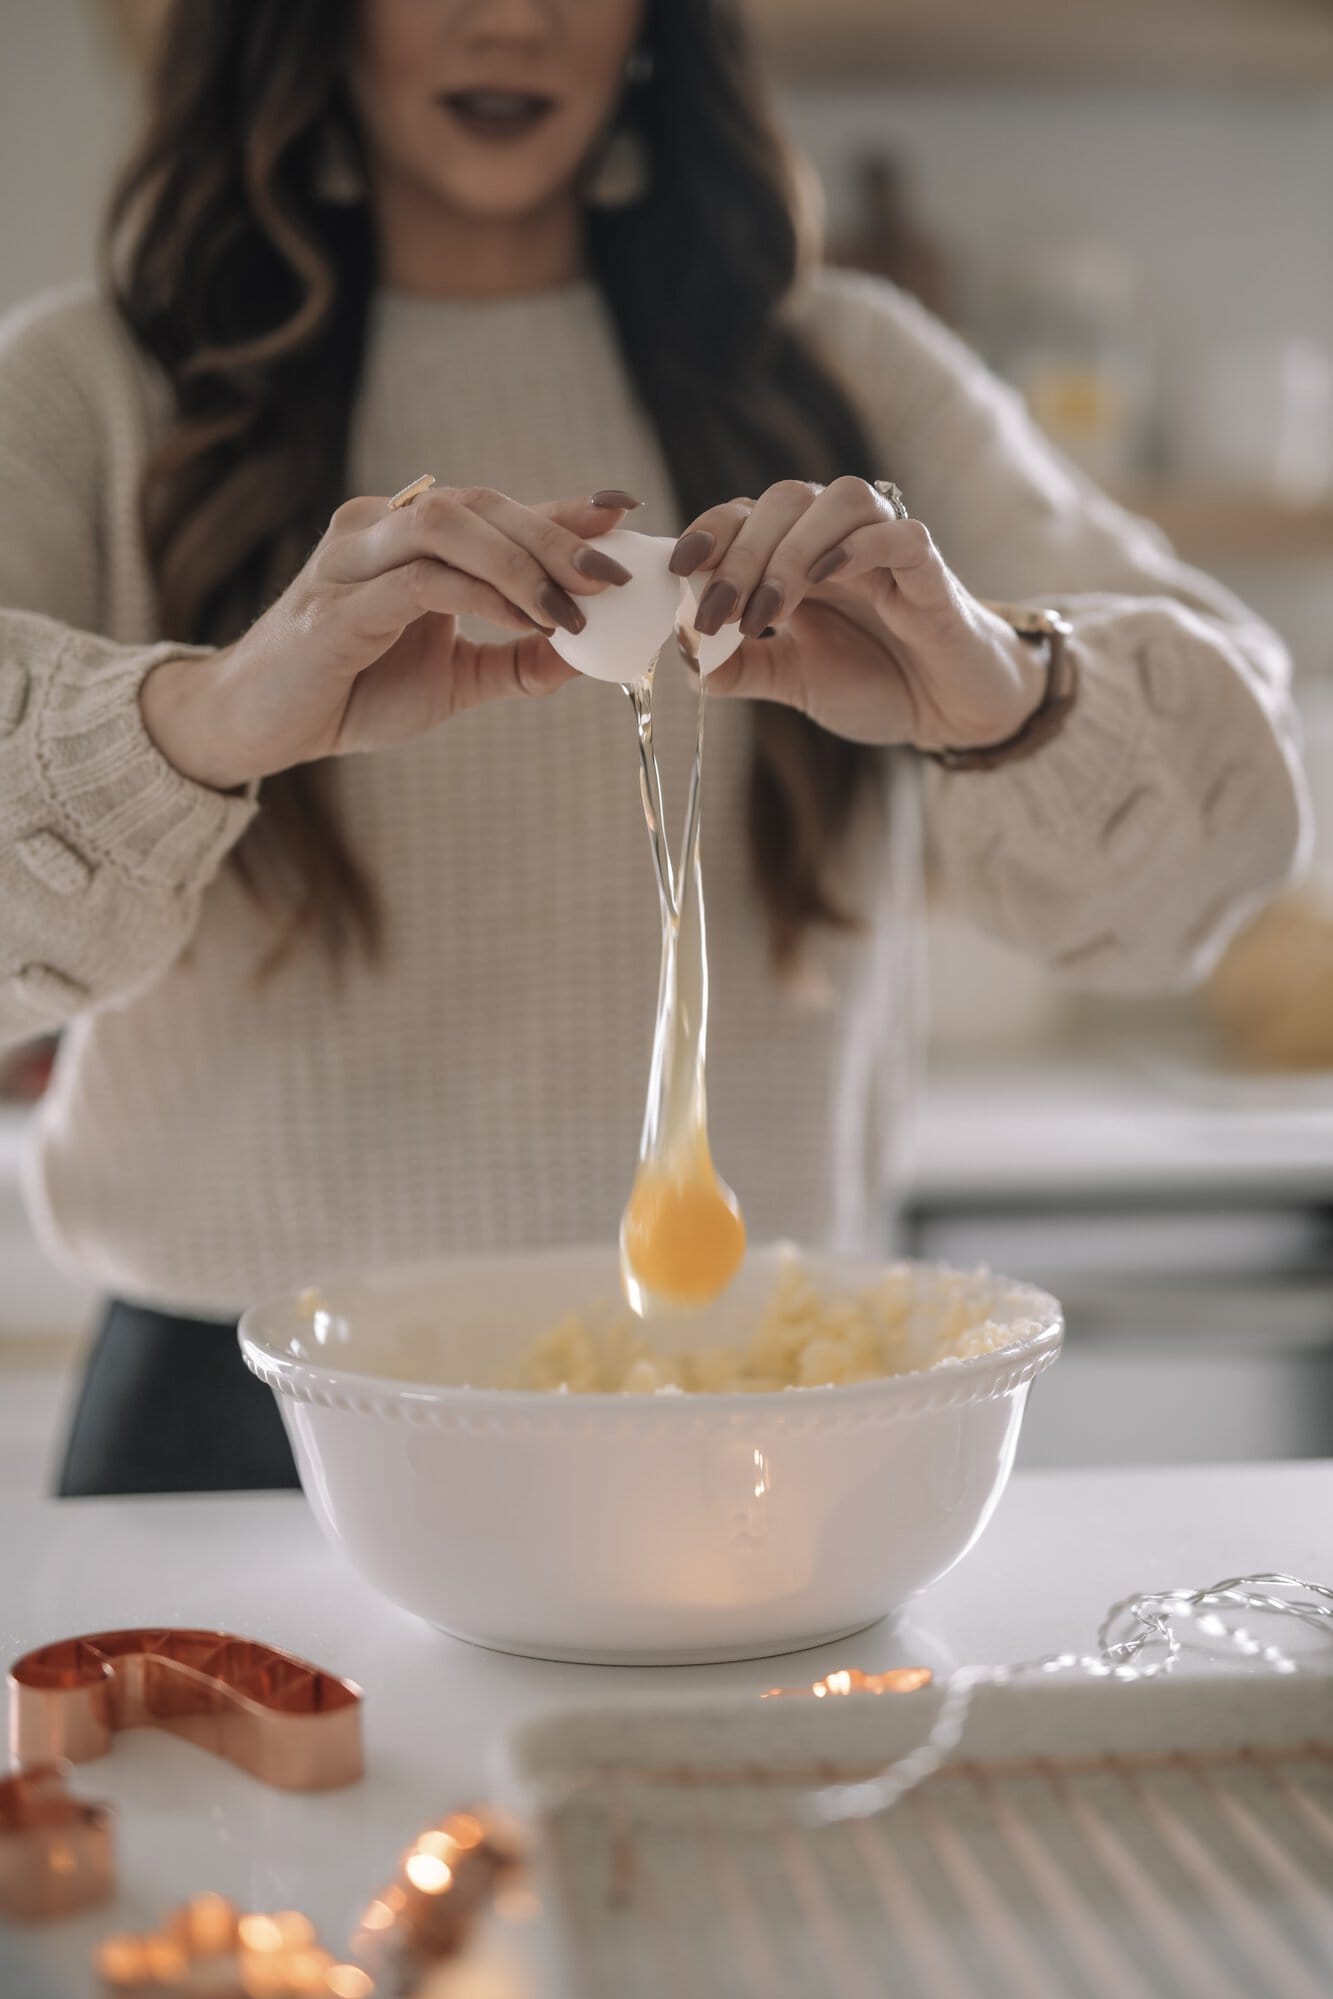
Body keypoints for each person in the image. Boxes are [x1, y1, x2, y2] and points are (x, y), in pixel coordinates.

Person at [0, 0, 1308, 1496]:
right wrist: (213, 718)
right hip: (240, 1416)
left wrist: (1004, 691)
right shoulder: (91, 390)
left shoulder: (851, 372)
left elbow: (1238, 838)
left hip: (759, 1388)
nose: (516, 19)